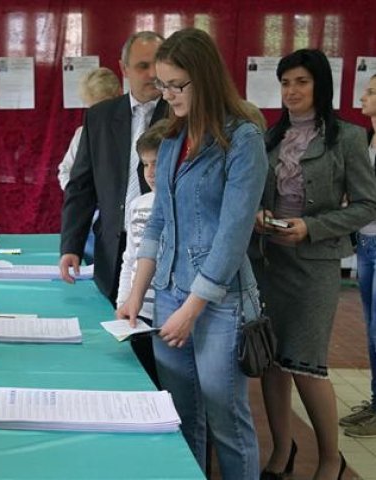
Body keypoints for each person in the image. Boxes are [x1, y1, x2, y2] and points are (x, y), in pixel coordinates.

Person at [117, 28, 268, 479]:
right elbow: (158, 223)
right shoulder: (170, 140)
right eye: (162, 85)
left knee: (227, 422)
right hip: (167, 295)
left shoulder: (243, 140)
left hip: (220, 303)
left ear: (204, 79)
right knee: (182, 418)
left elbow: (232, 236)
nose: (167, 95)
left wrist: (192, 308)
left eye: (176, 85)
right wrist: (134, 295)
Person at [254, 49, 376, 480]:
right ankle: (281, 452)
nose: (291, 91)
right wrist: (257, 216)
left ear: (320, 85)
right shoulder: (270, 136)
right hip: (269, 261)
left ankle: (330, 460)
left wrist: (312, 226)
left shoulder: (348, 137)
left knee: (306, 364)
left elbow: (367, 203)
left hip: (315, 264)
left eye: (301, 82)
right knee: (270, 362)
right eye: (286, 83)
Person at [59, 31, 167, 303]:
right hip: (111, 249)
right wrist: (71, 245)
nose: (153, 73)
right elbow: (81, 186)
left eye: (158, 63)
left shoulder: (180, 114)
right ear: (124, 69)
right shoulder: (100, 116)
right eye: (143, 66)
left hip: (163, 251)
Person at [341, 73, 376, 438]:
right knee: (370, 331)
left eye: (371, 92)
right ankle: (374, 401)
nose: (363, 97)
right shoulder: (364, 141)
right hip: (366, 244)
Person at [116, 125, 164, 322]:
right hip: (139, 311)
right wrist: (122, 302)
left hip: (169, 311)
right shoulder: (137, 204)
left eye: (156, 163)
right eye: (145, 164)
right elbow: (129, 258)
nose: (150, 173)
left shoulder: (183, 208)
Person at [57, 67, 121, 190]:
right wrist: (78, 195)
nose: (100, 114)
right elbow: (65, 171)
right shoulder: (83, 133)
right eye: (93, 108)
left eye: (104, 106)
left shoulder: (137, 126)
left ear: (119, 94)